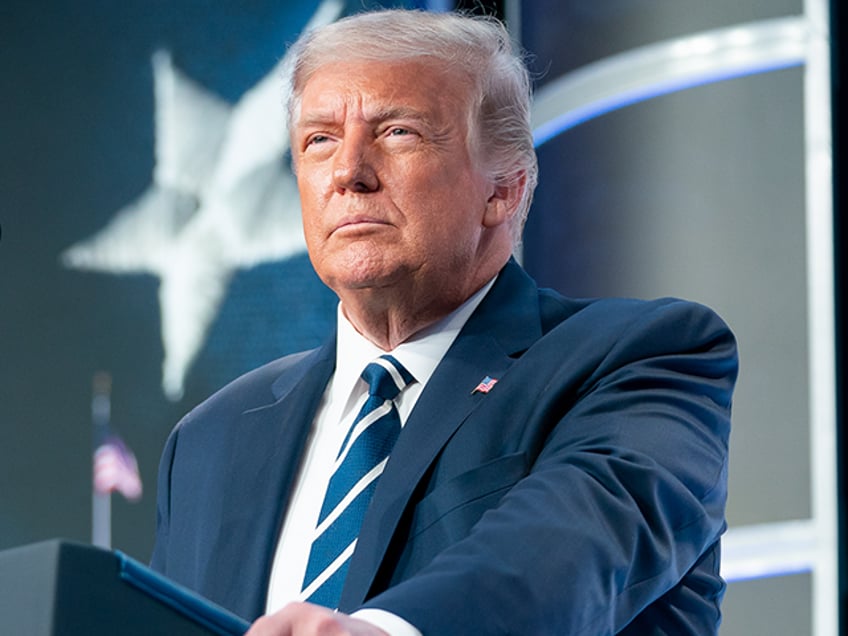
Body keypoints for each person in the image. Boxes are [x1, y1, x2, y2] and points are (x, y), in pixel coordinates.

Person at [150, 9, 738, 635]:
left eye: (398, 132)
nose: (348, 172)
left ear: (503, 189)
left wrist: (384, 632)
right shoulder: (211, 437)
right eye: (319, 139)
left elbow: (571, 547)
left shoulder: (642, 358)